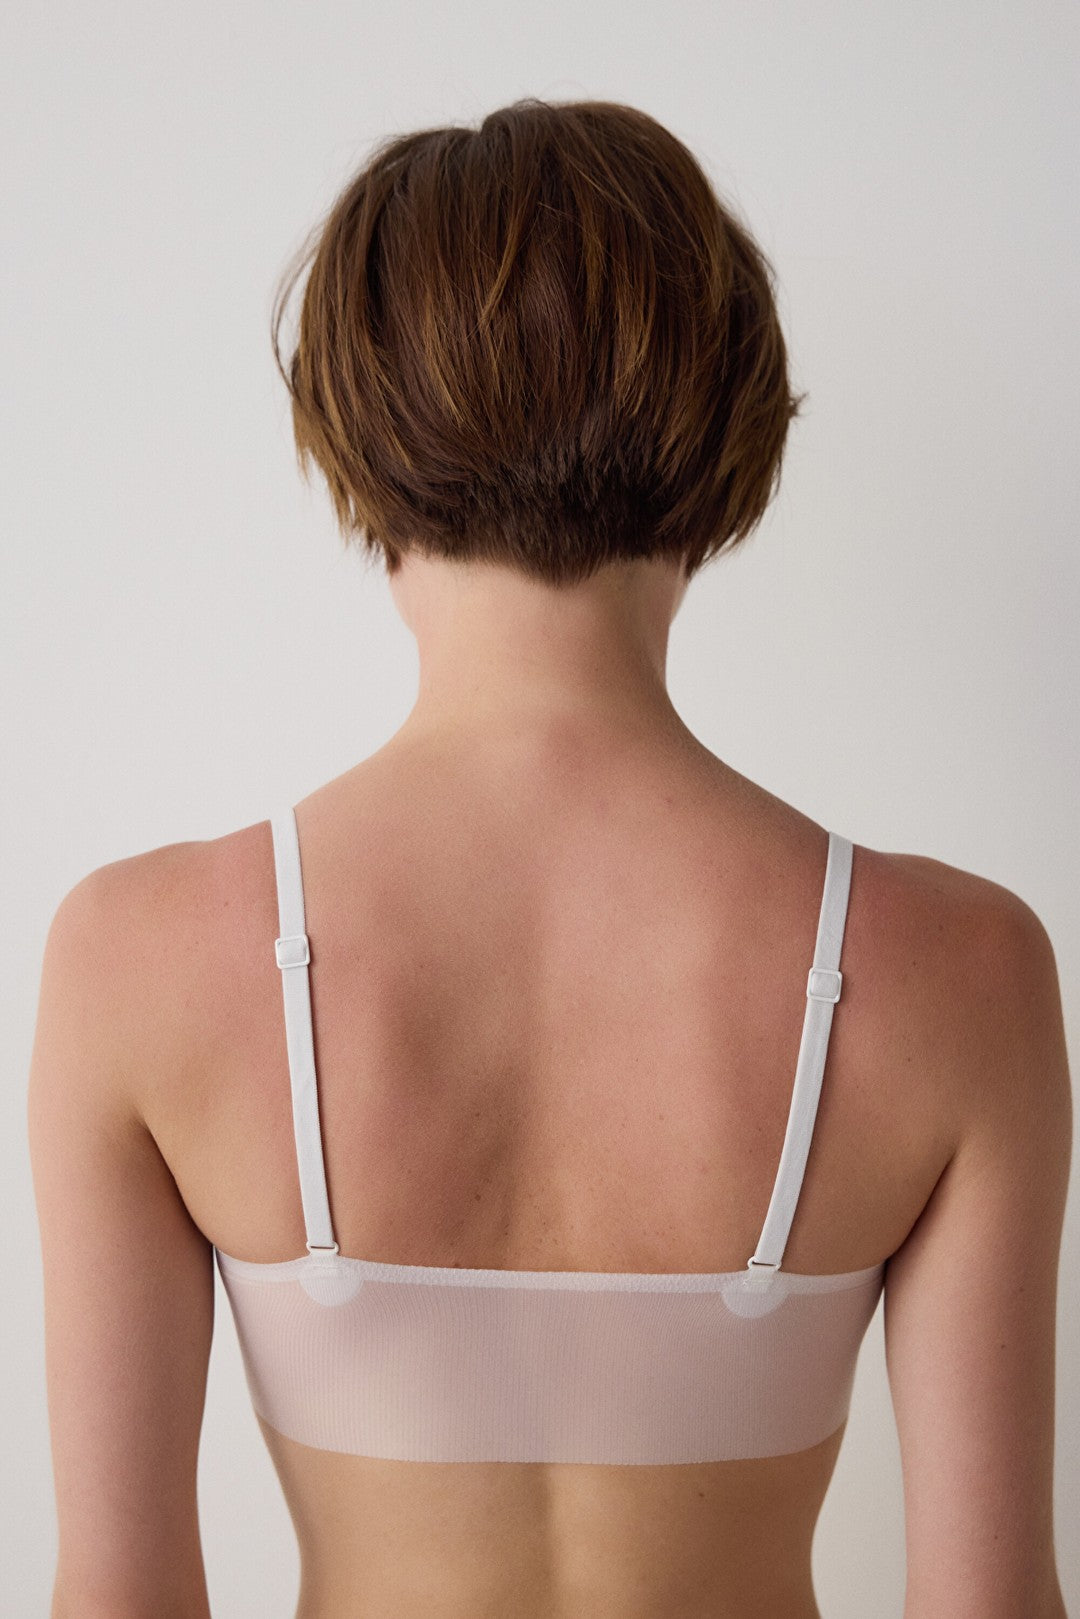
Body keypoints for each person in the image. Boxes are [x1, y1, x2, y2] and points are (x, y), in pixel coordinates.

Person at [28, 97, 1071, 1619]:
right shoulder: (962, 971)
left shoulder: (133, 961)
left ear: (361, 439)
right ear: (725, 433)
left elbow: (115, 1602)